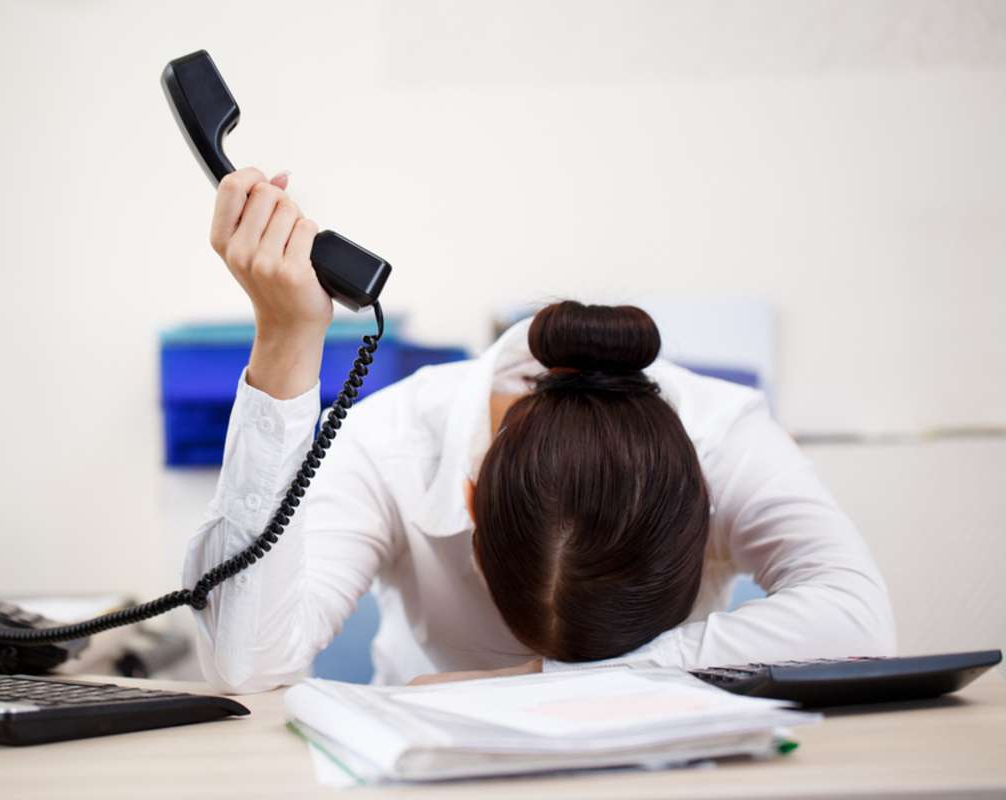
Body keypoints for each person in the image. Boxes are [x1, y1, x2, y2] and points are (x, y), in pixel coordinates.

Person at [183, 167, 895, 693]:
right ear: (470, 503)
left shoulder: (724, 436)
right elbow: (247, 666)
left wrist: (534, 680)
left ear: (703, 510)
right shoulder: (390, 437)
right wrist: (285, 339)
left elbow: (859, 622)